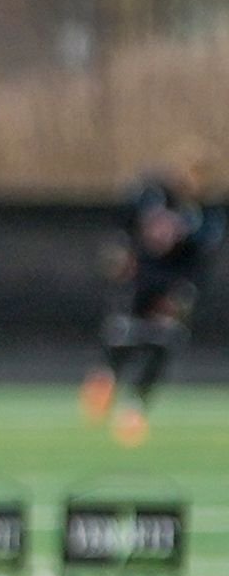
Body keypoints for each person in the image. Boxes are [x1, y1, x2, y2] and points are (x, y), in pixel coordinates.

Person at [82, 163, 216, 447]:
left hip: (169, 285)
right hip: (141, 280)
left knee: (163, 344)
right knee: (122, 335)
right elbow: (122, 229)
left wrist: (183, 294)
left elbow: (200, 259)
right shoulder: (150, 197)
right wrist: (119, 254)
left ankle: (134, 409)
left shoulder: (204, 216)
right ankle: (106, 378)